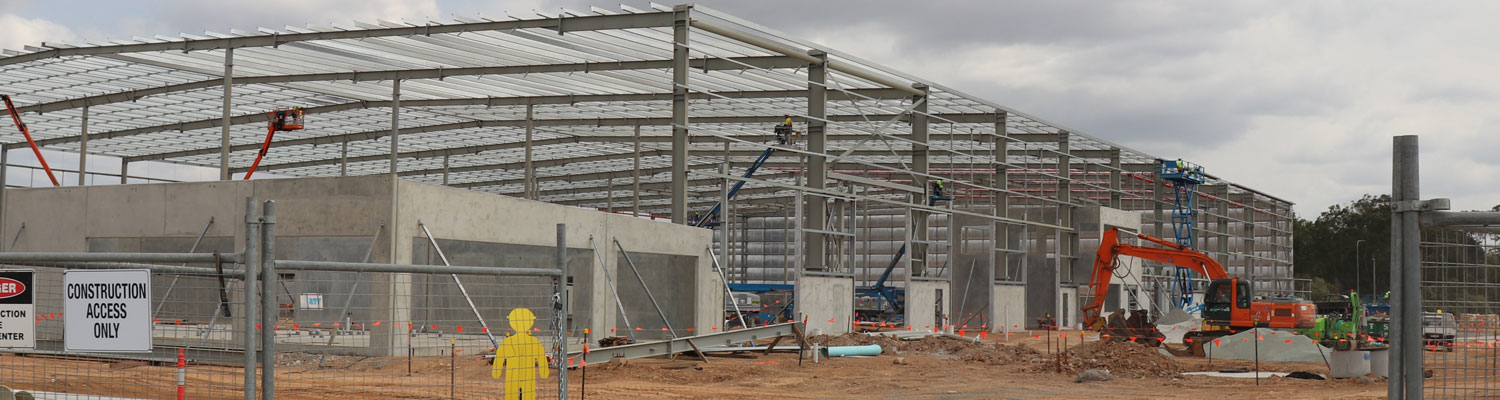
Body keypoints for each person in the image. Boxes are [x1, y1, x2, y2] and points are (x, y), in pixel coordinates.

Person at [494, 308, 549, 400]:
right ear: (530, 322)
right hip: (528, 374)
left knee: (511, 395)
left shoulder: (508, 342)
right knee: (529, 395)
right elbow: (541, 358)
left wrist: (496, 372)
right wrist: (543, 372)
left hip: (512, 374)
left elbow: (499, 358)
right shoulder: (534, 341)